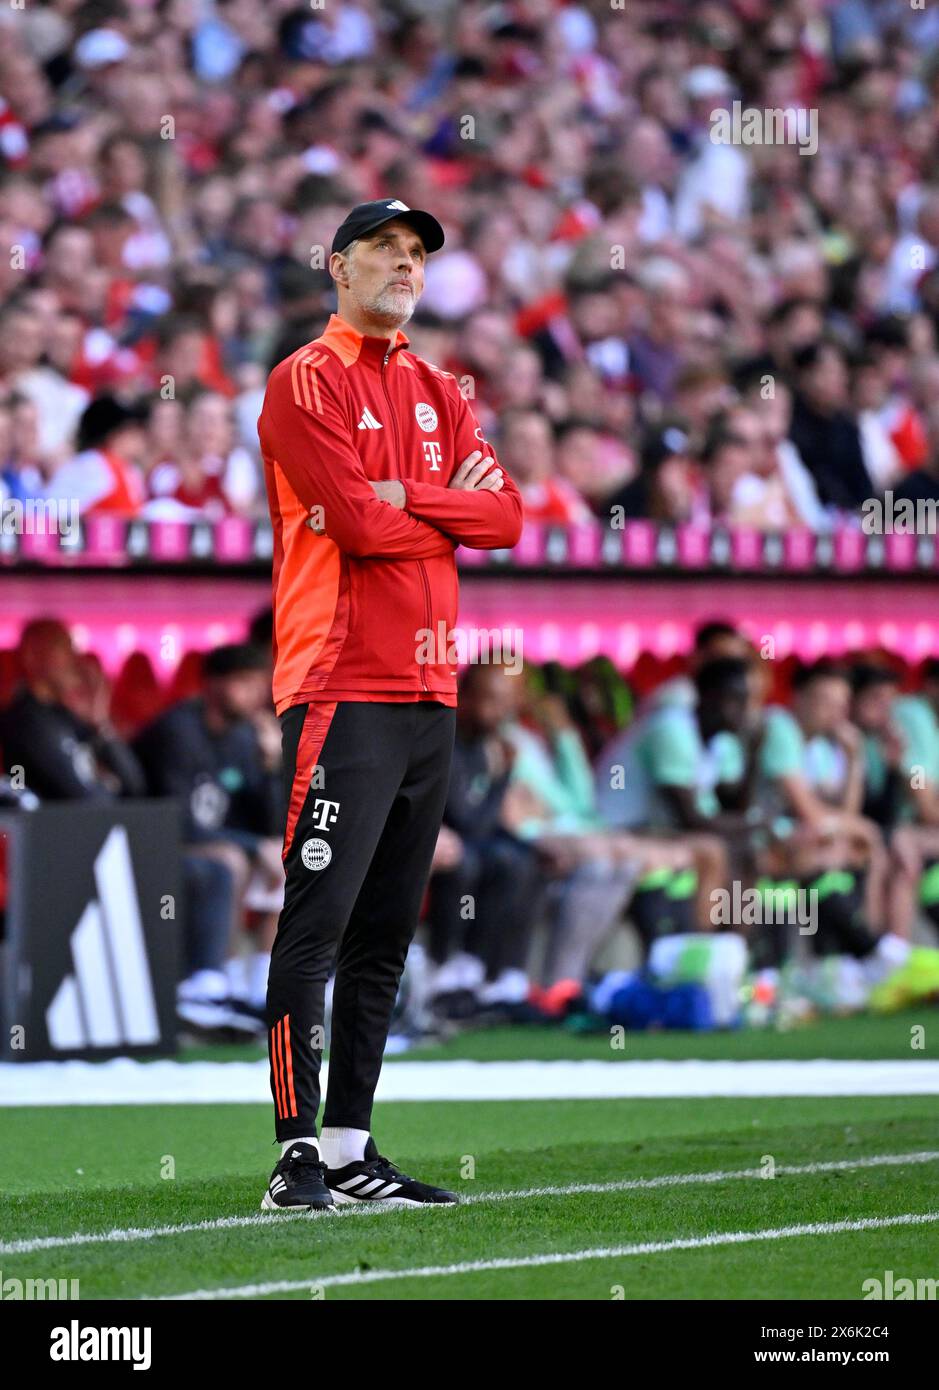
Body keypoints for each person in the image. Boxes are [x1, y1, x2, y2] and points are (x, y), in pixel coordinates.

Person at [256, 198, 522, 1210]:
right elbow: (356, 530)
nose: (407, 265)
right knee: (315, 923)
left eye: (417, 254)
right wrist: (426, 507)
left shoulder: (435, 386)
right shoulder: (302, 381)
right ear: (338, 266)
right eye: (386, 250)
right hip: (339, 683)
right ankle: (294, 1154)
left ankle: (352, 1146)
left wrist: (409, 498)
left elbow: (506, 516)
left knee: (385, 934)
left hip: (429, 687)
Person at [133, 643, 284, 1033]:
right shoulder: (178, 731)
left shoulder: (242, 737)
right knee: (233, 859)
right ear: (214, 684)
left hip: (214, 842)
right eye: (244, 683)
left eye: (259, 684)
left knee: (284, 857)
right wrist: (253, 846)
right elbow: (176, 819)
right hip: (147, 842)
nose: (255, 695)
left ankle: (259, 993)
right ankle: (210, 980)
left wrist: (271, 766)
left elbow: (269, 823)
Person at [0, 618, 145, 801]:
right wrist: (108, 788)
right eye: (63, 649)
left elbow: (135, 784)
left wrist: (100, 723)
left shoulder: (66, 718)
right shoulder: (24, 722)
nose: (74, 661)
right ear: (32, 656)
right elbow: (80, 795)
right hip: (52, 827)